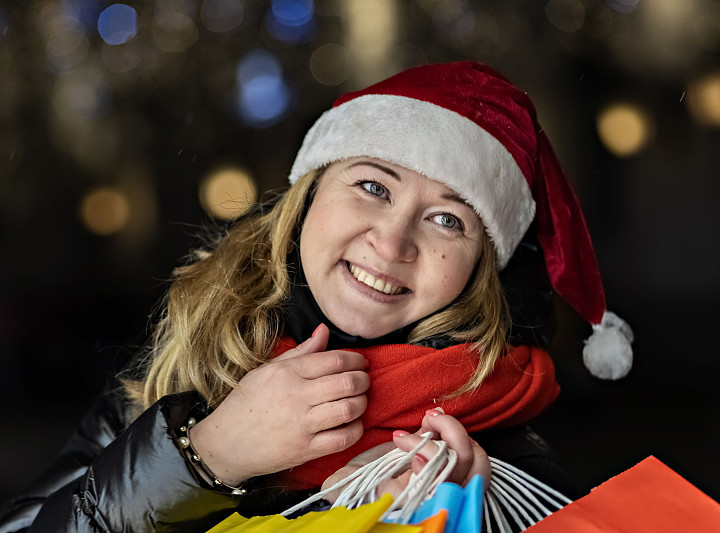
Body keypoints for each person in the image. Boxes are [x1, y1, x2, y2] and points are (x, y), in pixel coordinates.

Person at [0, 61, 632, 532]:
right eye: (373, 187)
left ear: (479, 270)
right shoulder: (175, 380)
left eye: (447, 220)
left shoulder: (507, 464)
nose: (392, 242)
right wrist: (208, 454)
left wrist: (478, 516)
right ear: (307, 202)